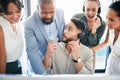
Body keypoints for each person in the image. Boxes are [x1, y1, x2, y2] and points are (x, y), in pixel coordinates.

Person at [24, 0, 65, 74]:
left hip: (59, 64)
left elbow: (64, 35)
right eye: (44, 13)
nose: (48, 16)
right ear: (37, 8)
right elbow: (32, 52)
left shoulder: (60, 13)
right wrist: (43, 75)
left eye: (52, 12)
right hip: (41, 64)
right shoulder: (28, 24)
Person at [73, 0, 106, 70]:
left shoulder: (102, 24)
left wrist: (94, 30)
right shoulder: (76, 18)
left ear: (98, 9)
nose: (90, 13)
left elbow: (93, 45)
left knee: (89, 75)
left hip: (91, 54)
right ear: (84, 8)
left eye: (94, 10)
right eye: (87, 9)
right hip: (76, 52)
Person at [0, 0, 24, 74]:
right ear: (3, 11)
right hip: (5, 69)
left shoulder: (18, 22)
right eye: (10, 13)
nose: (15, 16)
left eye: (18, 11)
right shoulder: (1, 27)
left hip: (18, 66)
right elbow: (2, 60)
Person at [104, 1, 120, 74]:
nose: (107, 22)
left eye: (111, 20)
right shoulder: (111, 28)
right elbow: (106, 42)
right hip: (109, 68)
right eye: (107, 17)